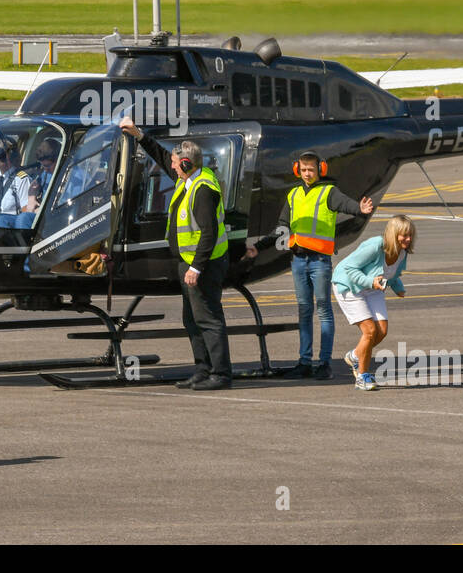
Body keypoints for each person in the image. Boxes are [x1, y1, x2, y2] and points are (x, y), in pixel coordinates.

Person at [119, 115, 232, 390]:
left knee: (208, 318)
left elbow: (209, 233)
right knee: (191, 319)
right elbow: (160, 156)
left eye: (174, 163)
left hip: (204, 264)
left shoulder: (203, 189)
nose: (171, 167)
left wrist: (196, 267)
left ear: (185, 163)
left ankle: (221, 373)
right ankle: (202, 369)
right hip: (189, 262)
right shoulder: (188, 178)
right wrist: (139, 135)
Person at [246, 151, 374, 379]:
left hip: (319, 262)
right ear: (298, 170)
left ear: (320, 170)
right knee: (304, 311)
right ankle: (304, 362)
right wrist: (260, 246)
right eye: (303, 170)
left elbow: (346, 205)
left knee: (324, 310)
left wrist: (360, 209)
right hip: (298, 261)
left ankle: (324, 363)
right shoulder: (294, 195)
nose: (307, 174)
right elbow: (282, 228)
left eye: (311, 170)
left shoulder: (328, 192)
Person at [332, 215, 416, 392]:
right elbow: (350, 268)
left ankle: (355, 356)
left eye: (410, 235)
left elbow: (392, 273)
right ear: (394, 234)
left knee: (382, 331)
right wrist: (370, 282)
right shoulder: (376, 245)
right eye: (404, 235)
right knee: (370, 331)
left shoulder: (402, 251)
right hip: (349, 285)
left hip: (373, 288)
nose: (408, 239)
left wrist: (398, 287)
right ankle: (362, 376)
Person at [0, 137, 31, 225]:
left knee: (1, 220)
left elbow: (26, 213)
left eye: (0, 154)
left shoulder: (21, 180)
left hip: (8, 227)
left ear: (11, 155)